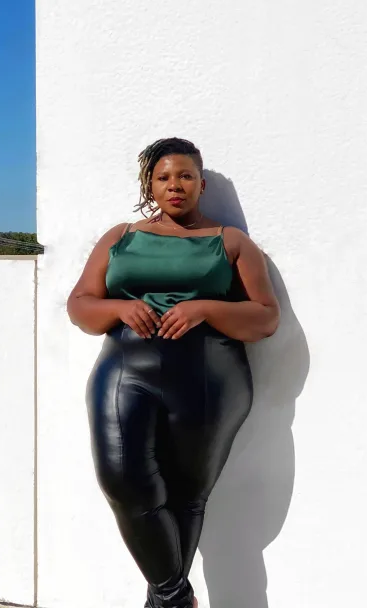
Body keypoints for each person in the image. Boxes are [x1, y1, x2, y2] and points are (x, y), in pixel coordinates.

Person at [67, 137, 280, 608]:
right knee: (123, 482)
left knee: (186, 497)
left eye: (185, 176)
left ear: (201, 184)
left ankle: (162, 602)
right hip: (125, 371)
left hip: (209, 379)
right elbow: (79, 306)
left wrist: (206, 307)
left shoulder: (231, 242)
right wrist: (119, 308)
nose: (174, 185)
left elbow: (265, 317)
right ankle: (176, 597)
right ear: (150, 185)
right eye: (163, 177)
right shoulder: (120, 237)